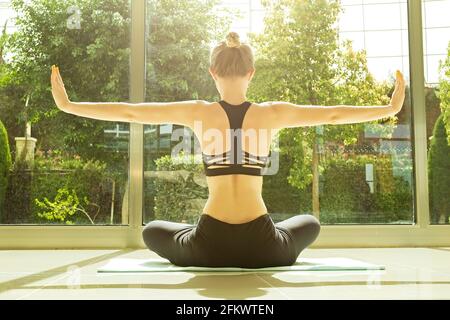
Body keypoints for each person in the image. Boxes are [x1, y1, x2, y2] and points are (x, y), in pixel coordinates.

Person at [51, 31, 406, 268]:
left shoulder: (198, 112)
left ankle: (200, 237)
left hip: (208, 244)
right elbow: (331, 114)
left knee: (151, 230)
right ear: (250, 72)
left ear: (212, 72)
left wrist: (70, 105)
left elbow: (131, 112)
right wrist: (388, 109)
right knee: (310, 223)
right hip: (265, 247)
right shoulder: (271, 114)